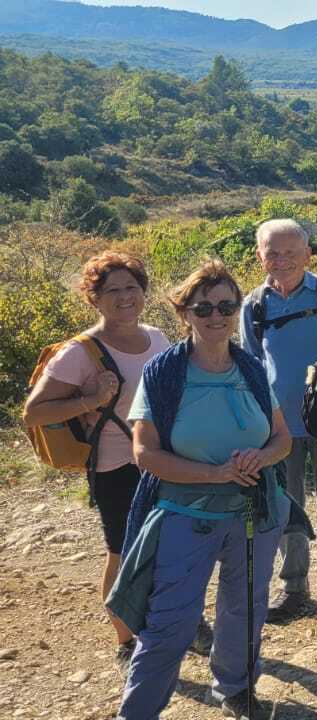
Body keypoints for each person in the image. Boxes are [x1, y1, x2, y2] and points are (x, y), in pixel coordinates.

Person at [109, 261, 292, 719]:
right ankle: (138, 711)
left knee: (245, 607)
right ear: (184, 313)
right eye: (204, 307)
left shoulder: (251, 368)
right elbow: (145, 454)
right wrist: (216, 474)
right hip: (186, 514)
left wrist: (261, 458)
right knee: (169, 624)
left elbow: (281, 439)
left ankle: (236, 688)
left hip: (253, 512)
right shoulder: (164, 373)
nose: (216, 316)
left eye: (227, 307)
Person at [23, 252, 171, 672]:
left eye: (132, 287)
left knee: (168, 547)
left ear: (143, 291)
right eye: (112, 290)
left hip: (161, 461)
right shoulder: (80, 352)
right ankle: (126, 640)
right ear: (94, 299)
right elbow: (34, 413)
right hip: (115, 467)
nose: (125, 297)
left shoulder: (157, 338)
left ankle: (171, 623)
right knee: (122, 552)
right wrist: (90, 399)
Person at [238, 219, 317, 622]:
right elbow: (252, 364)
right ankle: (294, 587)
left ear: (308, 254)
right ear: (259, 256)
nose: (282, 260)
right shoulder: (254, 305)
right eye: (272, 252)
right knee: (286, 507)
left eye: (291, 252)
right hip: (278, 427)